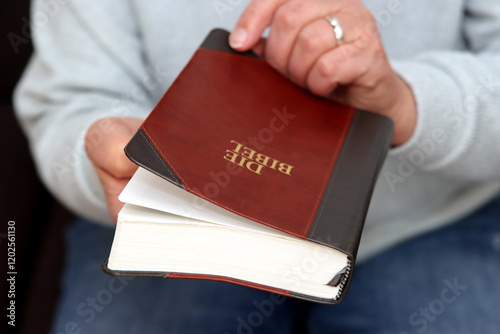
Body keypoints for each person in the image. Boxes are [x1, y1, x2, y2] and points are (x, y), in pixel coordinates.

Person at [14, 0, 500, 333]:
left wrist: (404, 102)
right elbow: (68, 98)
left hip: (429, 218)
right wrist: (101, 156)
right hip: (175, 219)